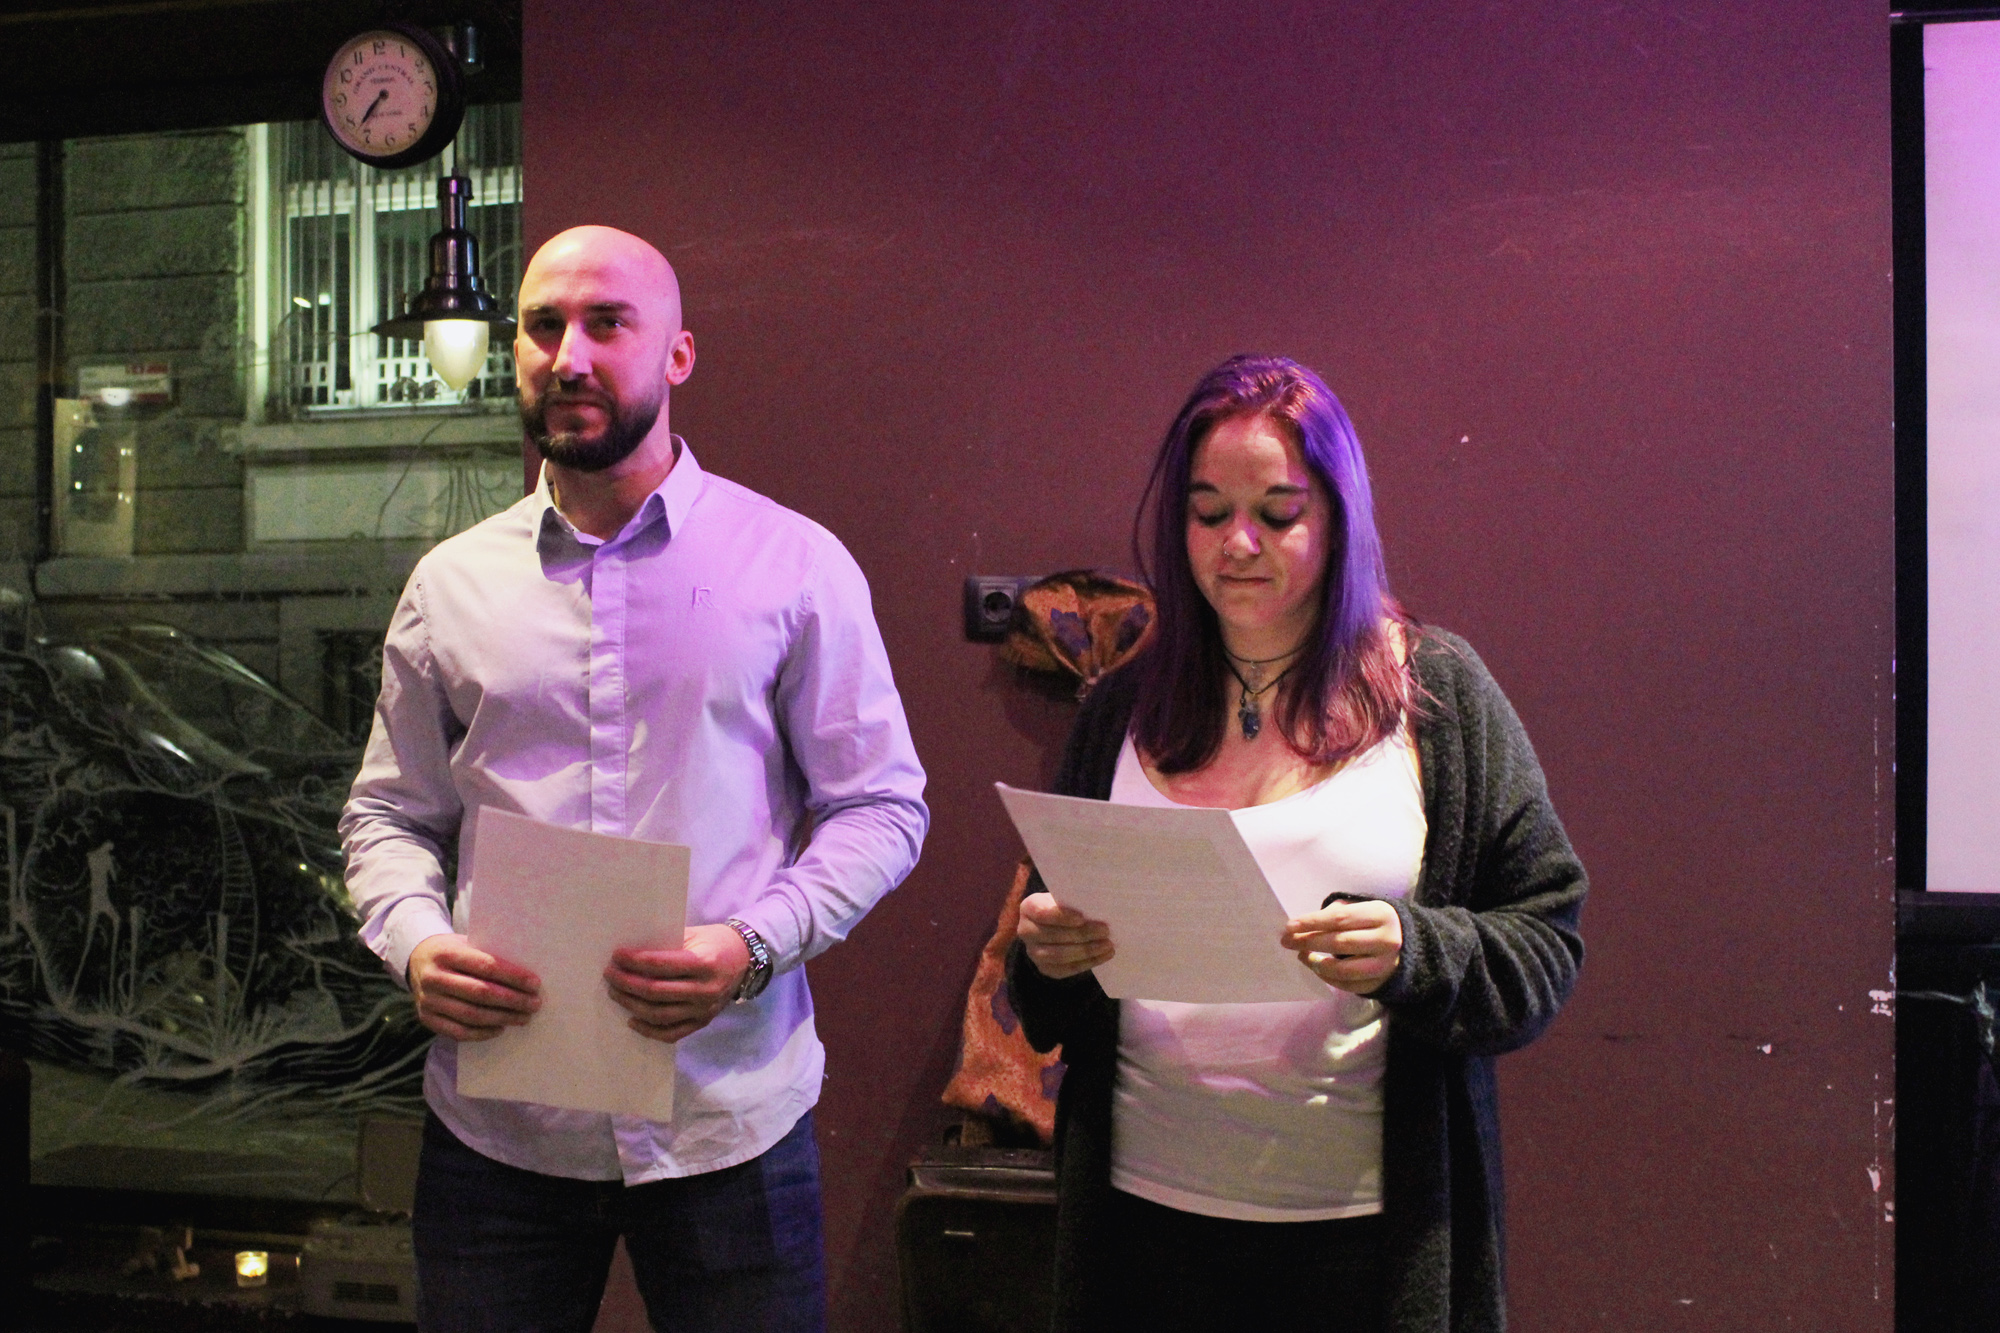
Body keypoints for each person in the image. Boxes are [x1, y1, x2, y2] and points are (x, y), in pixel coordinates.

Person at [339, 225, 928, 1333]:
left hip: (726, 1117)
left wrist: (752, 946)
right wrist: (415, 942)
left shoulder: (792, 565)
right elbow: (387, 813)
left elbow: (881, 805)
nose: (569, 356)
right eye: (542, 326)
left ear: (678, 354)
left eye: (607, 323)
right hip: (501, 1128)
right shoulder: (449, 586)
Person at [1008, 354, 1586, 1333]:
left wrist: (1417, 952)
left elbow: (1547, 939)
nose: (1237, 543)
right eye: (1207, 512)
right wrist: (1049, 956)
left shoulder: (1439, 696)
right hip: (1141, 1235)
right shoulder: (1119, 711)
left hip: (1364, 1246)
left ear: (1338, 519)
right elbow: (1045, 992)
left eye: (1277, 514)